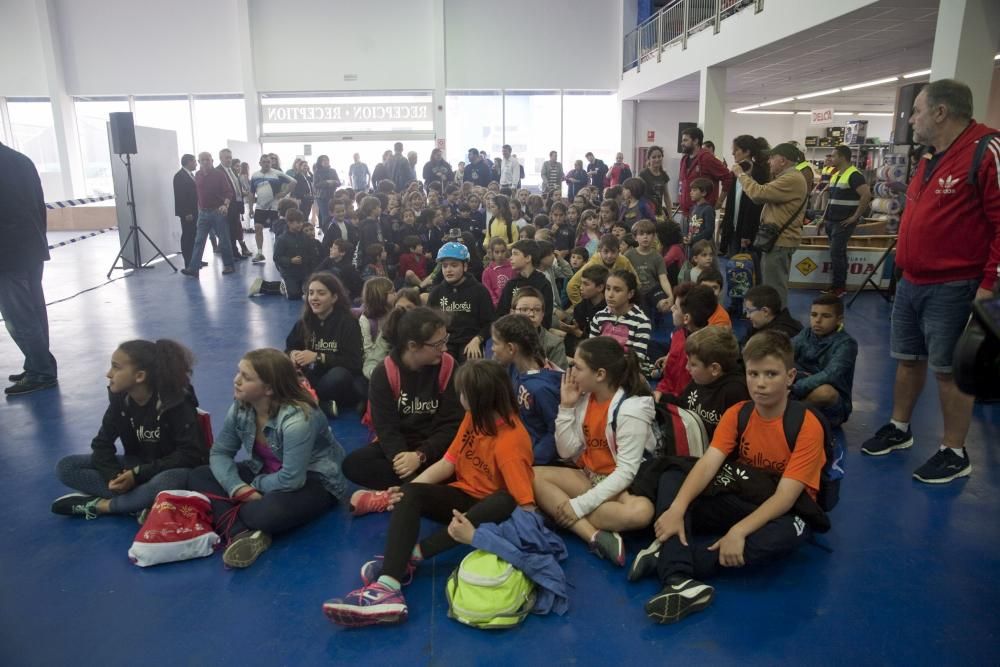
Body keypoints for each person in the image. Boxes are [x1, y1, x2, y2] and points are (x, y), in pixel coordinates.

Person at [324, 360, 536, 627]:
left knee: (502, 501)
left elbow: (525, 507)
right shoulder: (475, 417)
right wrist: (409, 489)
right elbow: (448, 462)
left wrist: (492, 538)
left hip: (488, 511)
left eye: (463, 394)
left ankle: (409, 559)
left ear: (480, 399)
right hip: (462, 495)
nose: (459, 398)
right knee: (411, 493)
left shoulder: (511, 443)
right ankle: (389, 585)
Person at [860, 82, 999, 483]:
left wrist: (990, 283)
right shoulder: (929, 158)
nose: (910, 118)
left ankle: (954, 451)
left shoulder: (985, 150)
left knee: (947, 370)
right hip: (911, 281)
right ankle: (900, 428)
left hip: (955, 283)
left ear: (940, 112)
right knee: (907, 359)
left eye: (916, 111)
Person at [638, 330, 826, 624]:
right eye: (753, 373)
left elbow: (786, 497)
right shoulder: (738, 413)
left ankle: (671, 562)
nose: (760, 383)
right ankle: (679, 579)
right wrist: (677, 508)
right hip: (744, 490)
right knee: (674, 475)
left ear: (790, 377)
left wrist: (739, 531)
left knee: (783, 536)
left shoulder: (805, 425)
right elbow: (707, 465)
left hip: (786, 508)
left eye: (771, 374)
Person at [187, 349, 347, 568]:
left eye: (246, 377)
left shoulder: (298, 420)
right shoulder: (241, 407)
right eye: (238, 372)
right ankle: (241, 533)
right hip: (265, 471)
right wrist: (236, 487)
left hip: (314, 480)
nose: (236, 380)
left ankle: (229, 517)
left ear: (269, 388)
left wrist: (250, 487)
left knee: (268, 514)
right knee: (199, 475)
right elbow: (220, 452)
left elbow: (292, 479)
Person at [532, 337, 656, 566]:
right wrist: (566, 406)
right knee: (532, 475)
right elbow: (567, 451)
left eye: (578, 367)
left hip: (618, 485)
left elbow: (626, 473)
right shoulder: (585, 398)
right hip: (588, 475)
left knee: (642, 512)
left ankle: (561, 510)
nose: (571, 373)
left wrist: (578, 505)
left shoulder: (631, 409)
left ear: (600, 374)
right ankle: (593, 535)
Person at [51, 339, 206, 519]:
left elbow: (189, 454)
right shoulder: (120, 400)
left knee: (164, 483)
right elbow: (101, 445)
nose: (109, 374)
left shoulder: (175, 403)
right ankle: (140, 503)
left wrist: (138, 474)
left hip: (173, 470)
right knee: (66, 467)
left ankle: (103, 506)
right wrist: (115, 477)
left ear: (140, 376)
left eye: (116, 367)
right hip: (136, 466)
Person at [344, 307, 464, 499]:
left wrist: (421, 455)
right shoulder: (384, 373)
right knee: (353, 464)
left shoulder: (449, 367)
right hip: (403, 447)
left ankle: (402, 494)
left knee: (461, 463)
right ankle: (422, 491)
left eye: (445, 340)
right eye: (437, 344)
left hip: (437, 446)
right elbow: (386, 430)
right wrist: (405, 463)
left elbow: (452, 424)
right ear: (412, 346)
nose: (444, 348)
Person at [732, 142, 808, 309]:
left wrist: (741, 175)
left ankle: (778, 323)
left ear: (782, 160)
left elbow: (758, 194)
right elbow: (763, 191)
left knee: (775, 287)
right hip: (776, 241)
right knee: (771, 284)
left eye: (772, 158)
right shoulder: (787, 178)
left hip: (780, 242)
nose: (768, 161)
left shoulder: (792, 179)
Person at [285, 273, 366, 417]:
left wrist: (318, 357)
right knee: (276, 372)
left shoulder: (348, 323)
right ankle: (320, 405)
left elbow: (355, 363)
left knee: (339, 375)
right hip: (312, 377)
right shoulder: (304, 322)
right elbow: (289, 348)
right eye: (311, 293)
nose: (314, 297)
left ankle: (305, 402)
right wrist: (293, 355)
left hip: (337, 380)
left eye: (321, 293)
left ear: (334, 298)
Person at [492, 313, 563, 464]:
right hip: (517, 445)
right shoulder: (515, 369)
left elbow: (556, 431)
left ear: (511, 348)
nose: (492, 349)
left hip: (534, 460)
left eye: (495, 343)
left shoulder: (541, 388)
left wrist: (530, 460)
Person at [791, 294, 858, 428]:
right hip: (802, 386)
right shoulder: (807, 333)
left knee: (825, 392)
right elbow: (786, 353)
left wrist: (795, 387)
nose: (818, 320)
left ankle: (791, 415)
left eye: (826, 316)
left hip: (832, 406)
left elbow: (830, 375)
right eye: (814, 315)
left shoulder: (846, 344)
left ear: (839, 320)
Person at [426, 242, 494, 361]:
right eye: (445, 266)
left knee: (471, 366)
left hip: (471, 342)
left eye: (454, 265)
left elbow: (490, 323)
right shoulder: (436, 293)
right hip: (444, 344)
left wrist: (478, 339)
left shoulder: (480, 291)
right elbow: (429, 323)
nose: (448, 270)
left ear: (465, 266)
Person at [822, 145, 872, 297]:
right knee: (837, 254)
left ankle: (839, 287)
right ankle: (837, 285)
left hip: (843, 222)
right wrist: (823, 218)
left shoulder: (854, 175)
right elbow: (831, 200)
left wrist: (855, 217)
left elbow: (866, 195)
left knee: (837, 253)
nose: (830, 159)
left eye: (833, 156)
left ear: (843, 157)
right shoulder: (836, 175)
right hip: (832, 220)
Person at [654, 284, 718, 400]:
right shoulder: (678, 334)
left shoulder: (706, 347)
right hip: (665, 391)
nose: (672, 308)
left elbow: (687, 393)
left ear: (686, 318)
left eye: (676, 307)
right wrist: (670, 357)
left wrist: (661, 398)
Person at [181, 152, 236, 278]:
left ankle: (229, 265)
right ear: (199, 162)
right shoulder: (198, 175)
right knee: (199, 240)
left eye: (208, 160)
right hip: (203, 213)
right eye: (202, 160)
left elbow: (228, 193)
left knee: (224, 239)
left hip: (218, 212)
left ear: (212, 160)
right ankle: (193, 268)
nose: (205, 162)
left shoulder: (219, 175)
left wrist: (225, 205)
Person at [589, 270, 653, 376]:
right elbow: (591, 350)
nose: (610, 295)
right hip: (601, 371)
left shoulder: (641, 322)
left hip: (626, 373)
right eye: (608, 289)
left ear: (630, 294)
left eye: (617, 290)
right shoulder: (599, 316)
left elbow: (636, 361)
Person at [719, 135, 769, 260]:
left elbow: (754, 206)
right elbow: (732, 203)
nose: (732, 153)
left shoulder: (758, 172)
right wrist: (725, 227)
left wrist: (746, 233)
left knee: (747, 270)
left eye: (736, 150)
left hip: (748, 232)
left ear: (747, 151)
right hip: (733, 229)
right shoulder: (735, 171)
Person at [678, 128, 733, 232]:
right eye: (682, 140)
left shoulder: (707, 158)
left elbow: (728, 177)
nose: (682, 143)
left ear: (695, 141)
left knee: (700, 246)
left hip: (702, 213)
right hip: (685, 213)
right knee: (685, 246)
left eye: (685, 140)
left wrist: (720, 201)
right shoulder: (684, 160)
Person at [496, 239, 555, 328]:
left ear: (528, 258)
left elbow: (546, 318)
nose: (511, 258)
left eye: (515, 254)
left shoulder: (543, 284)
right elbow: (501, 314)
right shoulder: (511, 284)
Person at [249, 154, 295, 264]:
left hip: (274, 207)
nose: (266, 164)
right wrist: (251, 208)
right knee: (258, 228)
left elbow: (293, 182)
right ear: (260, 163)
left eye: (268, 162)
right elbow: (251, 193)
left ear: (271, 163)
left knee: (278, 231)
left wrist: (284, 193)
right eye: (264, 162)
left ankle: (280, 253)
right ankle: (260, 253)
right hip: (260, 207)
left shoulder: (277, 174)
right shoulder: (255, 175)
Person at [566, 234, 638, 305]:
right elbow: (572, 286)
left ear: (619, 251)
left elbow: (637, 283)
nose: (609, 256)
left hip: (618, 303)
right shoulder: (593, 263)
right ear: (599, 251)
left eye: (613, 252)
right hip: (597, 304)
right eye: (606, 251)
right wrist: (581, 306)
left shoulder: (624, 262)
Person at [626, 220, 674, 319]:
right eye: (641, 234)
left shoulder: (657, 257)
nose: (645, 237)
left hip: (653, 289)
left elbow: (663, 279)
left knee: (664, 306)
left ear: (653, 237)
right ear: (635, 237)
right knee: (644, 315)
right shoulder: (629, 255)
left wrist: (670, 296)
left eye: (648, 234)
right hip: (636, 290)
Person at [512, 287, 567, 370]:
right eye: (524, 309)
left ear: (542, 314)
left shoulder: (554, 344)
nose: (531, 314)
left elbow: (559, 378)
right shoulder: (503, 340)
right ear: (513, 312)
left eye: (537, 310)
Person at [561, 264, 608, 357]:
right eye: (581, 283)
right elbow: (572, 338)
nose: (581, 287)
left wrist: (580, 334)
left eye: (586, 284)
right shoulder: (580, 307)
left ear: (600, 287)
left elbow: (604, 344)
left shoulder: (609, 310)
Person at [270, 209, 318, 299]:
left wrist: (311, 269)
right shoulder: (282, 239)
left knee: (310, 290)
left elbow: (312, 254)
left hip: (304, 272)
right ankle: (282, 284)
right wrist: (290, 260)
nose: (300, 224)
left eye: (301, 222)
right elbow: (276, 257)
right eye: (297, 222)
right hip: (290, 272)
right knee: (294, 295)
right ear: (289, 223)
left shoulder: (305, 237)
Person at [359, 277, 396, 380]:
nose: (396, 295)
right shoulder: (366, 320)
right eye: (392, 292)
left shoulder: (395, 313)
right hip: (375, 361)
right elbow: (367, 351)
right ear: (380, 295)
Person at [219, 149, 252, 260]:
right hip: (227, 206)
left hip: (236, 205)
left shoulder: (231, 170)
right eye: (226, 157)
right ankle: (232, 254)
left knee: (234, 230)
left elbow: (235, 187)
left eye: (230, 157)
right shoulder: (218, 171)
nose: (229, 159)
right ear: (221, 158)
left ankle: (235, 253)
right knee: (228, 232)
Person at [172, 154, 200, 270]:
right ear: (188, 162)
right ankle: (188, 262)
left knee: (194, 236)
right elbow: (180, 196)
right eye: (194, 162)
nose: (196, 164)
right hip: (188, 213)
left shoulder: (191, 175)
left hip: (196, 210)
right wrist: (186, 212)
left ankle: (195, 260)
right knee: (188, 237)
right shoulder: (179, 176)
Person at [638, 145, 672, 219]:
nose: (657, 159)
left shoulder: (664, 175)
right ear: (649, 159)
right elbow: (637, 195)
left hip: (658, 213)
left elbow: (666, 196)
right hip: (645, 213)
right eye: (654, 157)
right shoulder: (643, 174)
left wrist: (670, 216)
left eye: (659, 156)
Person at [482, 237, 516, 306]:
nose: (500, 255)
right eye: (497, 252)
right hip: (497, 307)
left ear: (506, 251)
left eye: (502, 251)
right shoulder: (487, 272)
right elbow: (488, 292)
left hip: (513, 304)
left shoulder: (514, 267)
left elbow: (517, 286)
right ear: (491, 253)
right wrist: (496, 303)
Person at [686, 178, 716, 248]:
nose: (691, 192)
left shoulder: (708, 209)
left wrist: (693, 239)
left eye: (694, 190)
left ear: (703, 193)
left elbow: (709, 231)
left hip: (703, 247)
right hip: (693, 245)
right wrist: (687, 237)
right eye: (691, 190)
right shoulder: (693, 208)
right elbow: (690, 226)